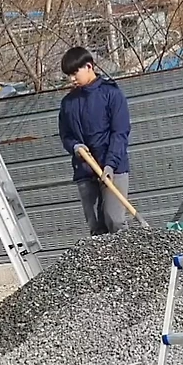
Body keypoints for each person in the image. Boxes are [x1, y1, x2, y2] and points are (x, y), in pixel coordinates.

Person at [58, 47, 132, 235]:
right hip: (84, 170)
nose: (71, 79)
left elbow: (120, 133)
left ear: (89, 67)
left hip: (113, 168)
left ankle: (126, 252)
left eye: (75, 73)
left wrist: (110, 165)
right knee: (95, 227)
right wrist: (75, 147)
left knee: (115, 220)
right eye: (68, 75)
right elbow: (65, 135)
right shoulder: (68, 103)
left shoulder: (111, 94)